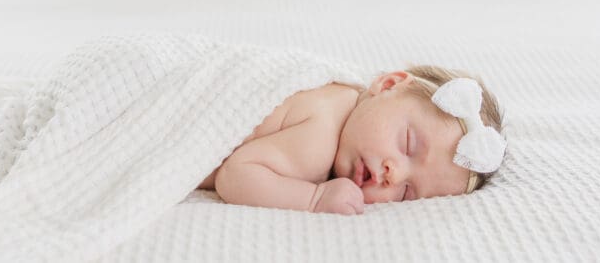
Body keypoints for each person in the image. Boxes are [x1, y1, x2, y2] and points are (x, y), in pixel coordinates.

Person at [197, 65, 506, 214]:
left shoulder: (344, 98)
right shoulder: (319, 142)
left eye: (406, 193)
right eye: (407, 144)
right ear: (388, 84)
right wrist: (314, 198)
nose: (394, 174)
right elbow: (234, 175)